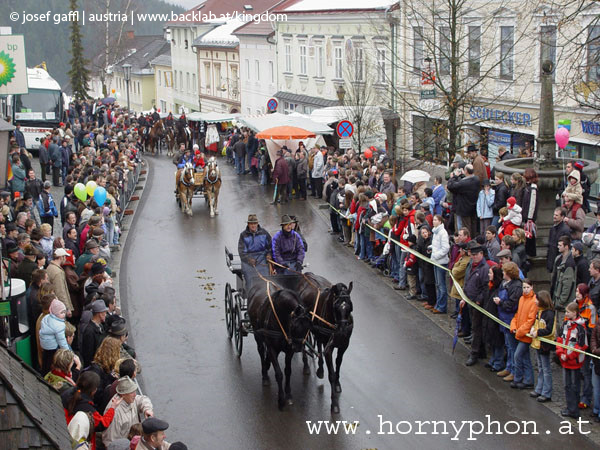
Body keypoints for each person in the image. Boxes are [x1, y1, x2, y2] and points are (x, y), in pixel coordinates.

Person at [556, 301, 588, 419]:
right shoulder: (565, 324)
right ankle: (569, 407)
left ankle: (574, 410)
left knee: (574, 386)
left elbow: (581, 346)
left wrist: (568, 355)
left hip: (574, 362)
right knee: (567, 385)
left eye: (568, 312)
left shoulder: (580, 328)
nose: (566, 313)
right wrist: (560, 353)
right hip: (565, 361)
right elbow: (559, 340)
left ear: (574, 313)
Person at [102, 376, 154, 447]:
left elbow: (143, 399)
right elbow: (110, 441)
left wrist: (147, 409)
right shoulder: (115, 413)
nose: (135, 394)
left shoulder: (129, 399)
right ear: (123, 394)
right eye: (132, 392)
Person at [463, 241, 489, 366]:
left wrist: (479, 300)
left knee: (476, 328)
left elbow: (485, 287)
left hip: (477, 303)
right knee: (476, 326)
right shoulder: (471, 265)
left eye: (475, 255)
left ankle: (474, 352)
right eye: (472, 255)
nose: (473, 257)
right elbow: (467, 281)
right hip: (469, 300)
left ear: (481, 254)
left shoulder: (484, 269)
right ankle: (481, 351)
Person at [495, 262, 523, 381]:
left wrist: (500, 303)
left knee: (512, 347)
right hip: (503, 318)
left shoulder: (516, 286)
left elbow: (512, 305)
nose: (502, 273)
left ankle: (514, 371)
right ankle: (509, 367)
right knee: (508, 345)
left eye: (504, 271)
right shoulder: (505, 283)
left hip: (510, 319)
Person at [509, 279, 538, 390]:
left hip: (525, 334)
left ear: (532, 287)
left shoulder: (533, 301)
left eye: (527, 287)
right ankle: (527, 380)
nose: (525, 290)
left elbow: (530, 320)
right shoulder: (521, 299)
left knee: (518, 356)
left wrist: (520, 331)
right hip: (520, 332)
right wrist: (514, 326)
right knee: (524, 357)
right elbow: (517, 315)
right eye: (524, 287)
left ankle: (519, 378)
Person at [529, 290, 556, 403]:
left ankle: (546, 392)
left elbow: (549, 330)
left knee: (545, 369)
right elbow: (536, 324)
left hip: (544, 345)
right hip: (538, 344)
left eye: (537, 299)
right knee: (540, 368)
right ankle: (539, 388)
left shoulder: (549, 313)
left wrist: (538, 332)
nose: (535, 301)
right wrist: (533, 329)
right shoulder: (539, 312)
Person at [575, 283, 597, 410]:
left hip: (585, 345)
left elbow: (592, 329)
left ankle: (586, 398)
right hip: (574, 344)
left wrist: (580, 331)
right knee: (576, 372)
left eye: (578, 292)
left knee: (585, 372)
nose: (576, 294)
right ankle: (576, 396)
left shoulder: (591, 308)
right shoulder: (574, 304)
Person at [39, 297, 70, 374]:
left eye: (64, 312)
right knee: (52, 363)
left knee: (46, 362)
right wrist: (67, 351)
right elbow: (61, 340)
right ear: (55, 313)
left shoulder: (46, 318)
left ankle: (44, 374)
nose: (64, 315)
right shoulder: (59, 325)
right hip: (53, 347)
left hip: (45, 345)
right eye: (61, 312)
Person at [482, 266, 505, 372]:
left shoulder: (499, 288)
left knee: (498, 341)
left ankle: (498, 362)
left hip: (496, 317)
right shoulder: (490, 286)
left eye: (490, 273)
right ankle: (493, 360)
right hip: (489, 316)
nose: (488, 275)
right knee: (492, 340)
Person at [447, 164, 479, 237]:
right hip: (472, 207)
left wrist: (454, 176)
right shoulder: (476, 179)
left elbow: (451, 186)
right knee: (472, 226)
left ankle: (464, 241)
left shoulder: (464, 183)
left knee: (464, 228)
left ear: (466, 171)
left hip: (463, 209)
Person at [237, 214, 272, 280]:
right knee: (250, 277)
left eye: (254, 223)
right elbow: (241, 251)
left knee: (266, 276)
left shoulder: (264, 233)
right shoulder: (243, 235)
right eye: (251, 224)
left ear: (257, 224)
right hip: (248, 261)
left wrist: (269, 254)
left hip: (262, 258)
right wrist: (249, 259)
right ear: (248, 224)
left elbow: (270, 246)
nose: (253, 225)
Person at [551, 236, 577, 317]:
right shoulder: (558, 259)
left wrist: (561, 301)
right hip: (556, 297)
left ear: (566, 246)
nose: (558, 247)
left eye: (560, 245)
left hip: (563, 304)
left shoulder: (569, 263)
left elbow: (567, 285)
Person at [431, 214, 449, 314]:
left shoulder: (443, 233)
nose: (433, 221)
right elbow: (436, 246)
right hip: (435, 260)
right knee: (437, 284)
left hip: (441, 262)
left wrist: (436, 255)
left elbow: (445, 248)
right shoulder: (435, 232)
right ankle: (438, 304)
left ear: (440, 221)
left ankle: (442, 307)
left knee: (441, 286)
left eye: (435, 220)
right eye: (433, 220)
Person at [547, 207, 571, 272]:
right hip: (551, 260)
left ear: (562, 217)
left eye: (557, 215)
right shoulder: (552, 228)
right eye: (554, 215)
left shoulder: (565, 230)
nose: (554, 217)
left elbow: (566, 247)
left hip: (559, 261)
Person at [521, 168, 539, 256]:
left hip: (529, 218)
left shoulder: (532, 189)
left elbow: (532, 203)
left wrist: (529, 218)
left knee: (530, 237)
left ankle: (531, 254)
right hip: (527, 217)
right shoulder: (528, 188)